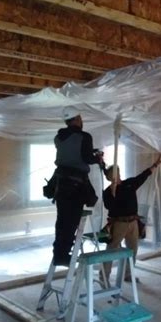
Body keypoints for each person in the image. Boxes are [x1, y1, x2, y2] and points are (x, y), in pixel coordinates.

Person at [51, 106, 104, 266]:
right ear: (76, 119)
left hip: (60, 184)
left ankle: (59, 252)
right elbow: (86, 158)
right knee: (72, 221)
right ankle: (63, 255)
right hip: (75, 185)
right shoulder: (84, 136)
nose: (82, 121)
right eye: (80, 118)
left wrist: (89, 153)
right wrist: (98, 158)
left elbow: (71, 154)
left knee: (62, 220)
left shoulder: (58, 137)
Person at [101, 154, 161, 284]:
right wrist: (113, 193)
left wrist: (156, 164)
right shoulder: (107, 192)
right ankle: (104, 276)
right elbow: (109, 206)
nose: (114, 176)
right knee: (112, 249)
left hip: (133, 222)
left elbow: (143, 176)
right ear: (108, 177)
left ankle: (128, 275)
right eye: (111, 175)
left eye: (116, 174)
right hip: (118, 223)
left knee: (132, 250)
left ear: (118, 174)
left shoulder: (129, 184)